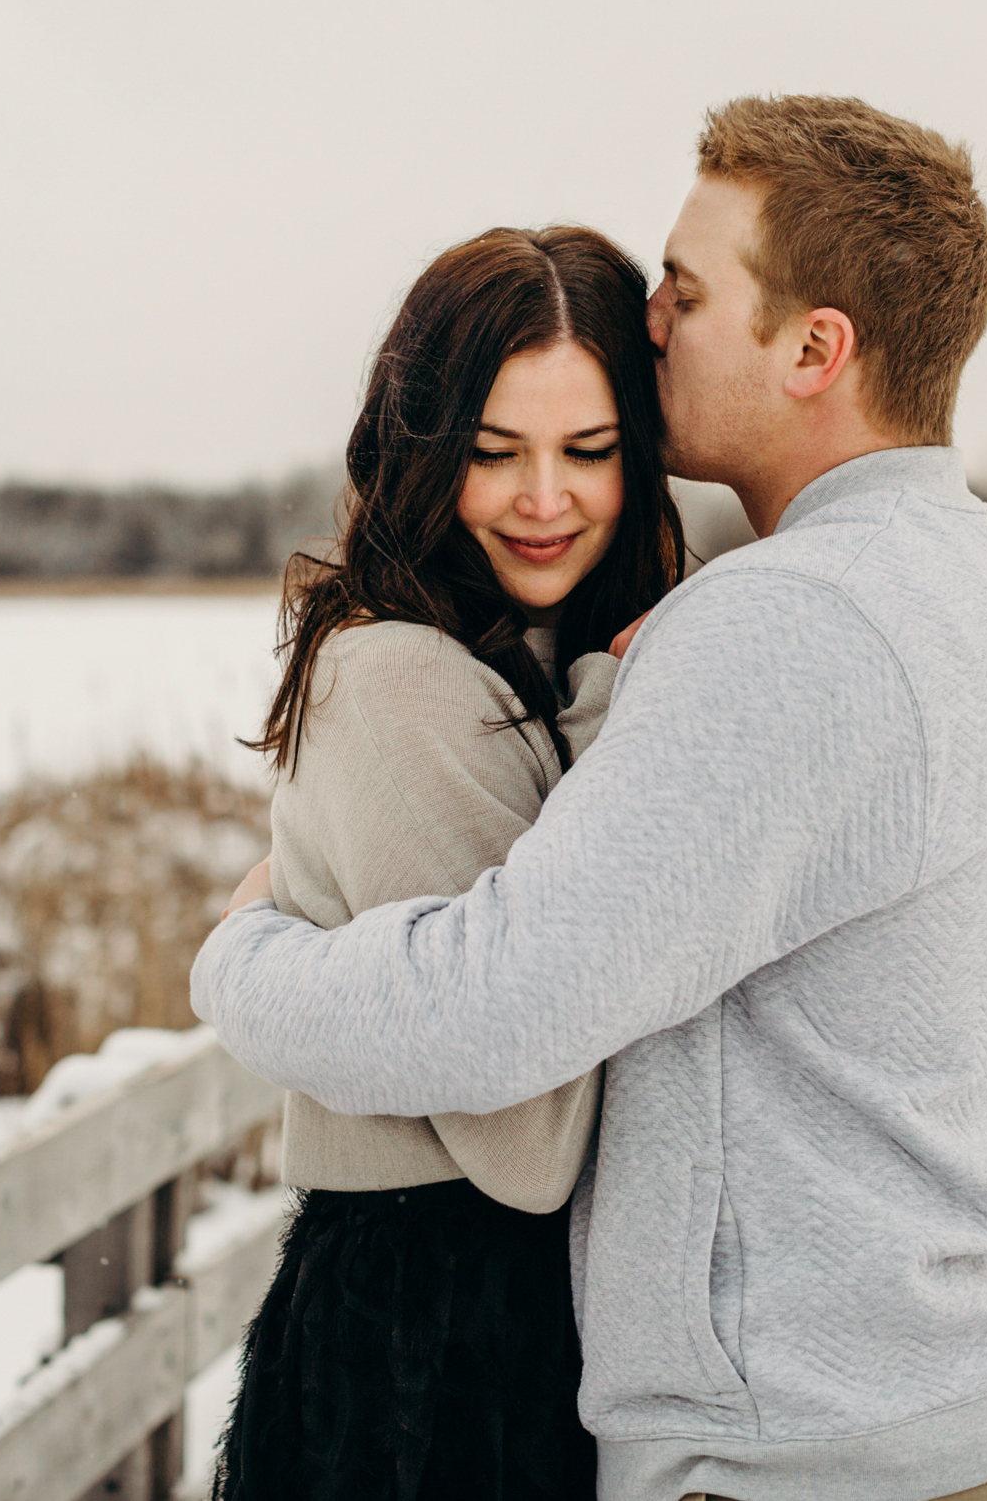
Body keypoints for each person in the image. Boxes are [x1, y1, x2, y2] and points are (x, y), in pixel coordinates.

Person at [195, 95, 987, 1501]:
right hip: (911, 1399)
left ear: (815, 347)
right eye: (495, 448)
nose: (651, 318)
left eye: (686, 289)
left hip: (795, 1446)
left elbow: (497, 1012)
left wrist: (246, 965)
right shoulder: (946, 571)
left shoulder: (794, 622)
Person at [211, 225, 685, 1501]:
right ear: (423, 453)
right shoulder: (406, 679)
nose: (547, 497)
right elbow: (526, 1140)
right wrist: (616, 708)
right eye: (494, 454)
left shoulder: (513, 660)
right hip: (437, 1350)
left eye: (589, 451)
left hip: (490, 1320)